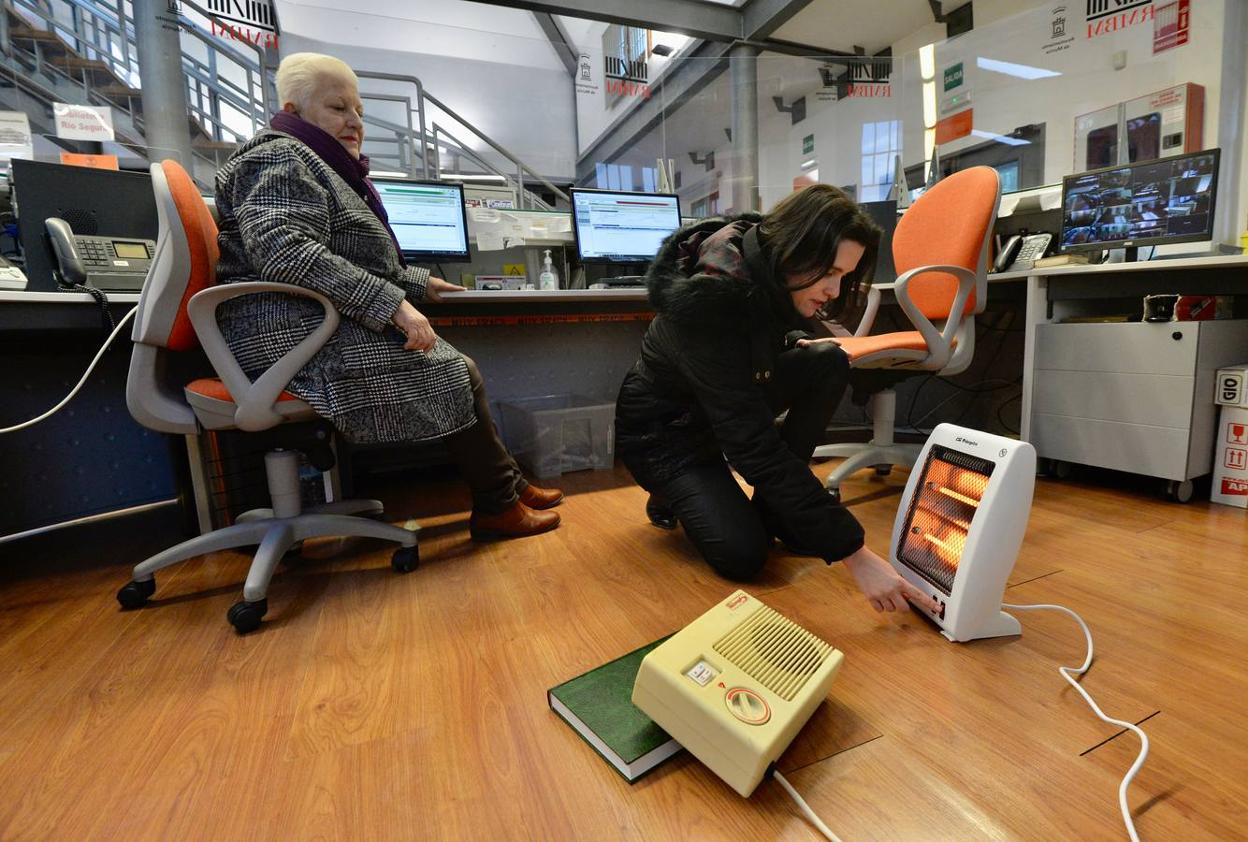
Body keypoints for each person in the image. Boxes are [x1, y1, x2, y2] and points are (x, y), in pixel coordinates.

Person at [213, 52, 560, 540]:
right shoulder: (279, 156)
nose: (355, 122)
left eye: (357, 110)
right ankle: (499, 503)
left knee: (458, 366)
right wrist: (393, 304)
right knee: (448, 368)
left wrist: (419, 285)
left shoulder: (323, 165)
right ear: (294, 110)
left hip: (310, 324)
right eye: (338, 109)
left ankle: (504, 491)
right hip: (287, 336)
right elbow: (285, 252)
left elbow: (354, 259)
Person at [615, 185, 938, 614]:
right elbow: (754, 448)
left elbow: (759, 336)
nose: (834, 290)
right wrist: (855, 555)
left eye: (844, 275)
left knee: (827, 360)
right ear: (797, 250)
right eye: (829, 273)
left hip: (718, 416)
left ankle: (774, 511)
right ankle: (673, 494)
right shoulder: (709, 306)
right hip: (666, 438)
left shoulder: (762, 260)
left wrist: (793, 339)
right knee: (744, 556)